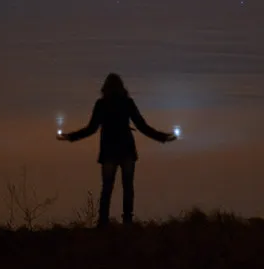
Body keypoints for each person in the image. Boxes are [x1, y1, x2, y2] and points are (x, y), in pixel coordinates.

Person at [57, 73, 177, 227]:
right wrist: (163, 137)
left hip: (108, 151)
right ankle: (127, 220)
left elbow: (91, 129)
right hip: (126, 149)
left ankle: (103, 222)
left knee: (107, 187)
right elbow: (142, 126)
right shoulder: (127, 103)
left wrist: (70, 137)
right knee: (127, 187)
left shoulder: (101, 104)